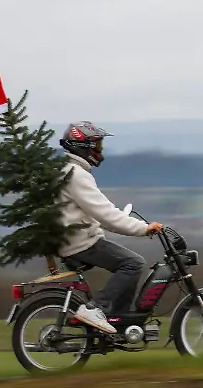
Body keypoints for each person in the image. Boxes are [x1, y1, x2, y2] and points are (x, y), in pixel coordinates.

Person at [55, 121, 164, 334]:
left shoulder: (66, 171)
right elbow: (106, 215)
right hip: (80, 242)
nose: (99, 150)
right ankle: (96, 308)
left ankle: (119, 319)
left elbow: (99, 215)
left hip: (74, 239)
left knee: (128, 263)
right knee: (133, 263)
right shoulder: (76, 175)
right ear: (84, 146)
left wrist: (120, 221)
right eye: (97, 145)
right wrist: (144, 228)